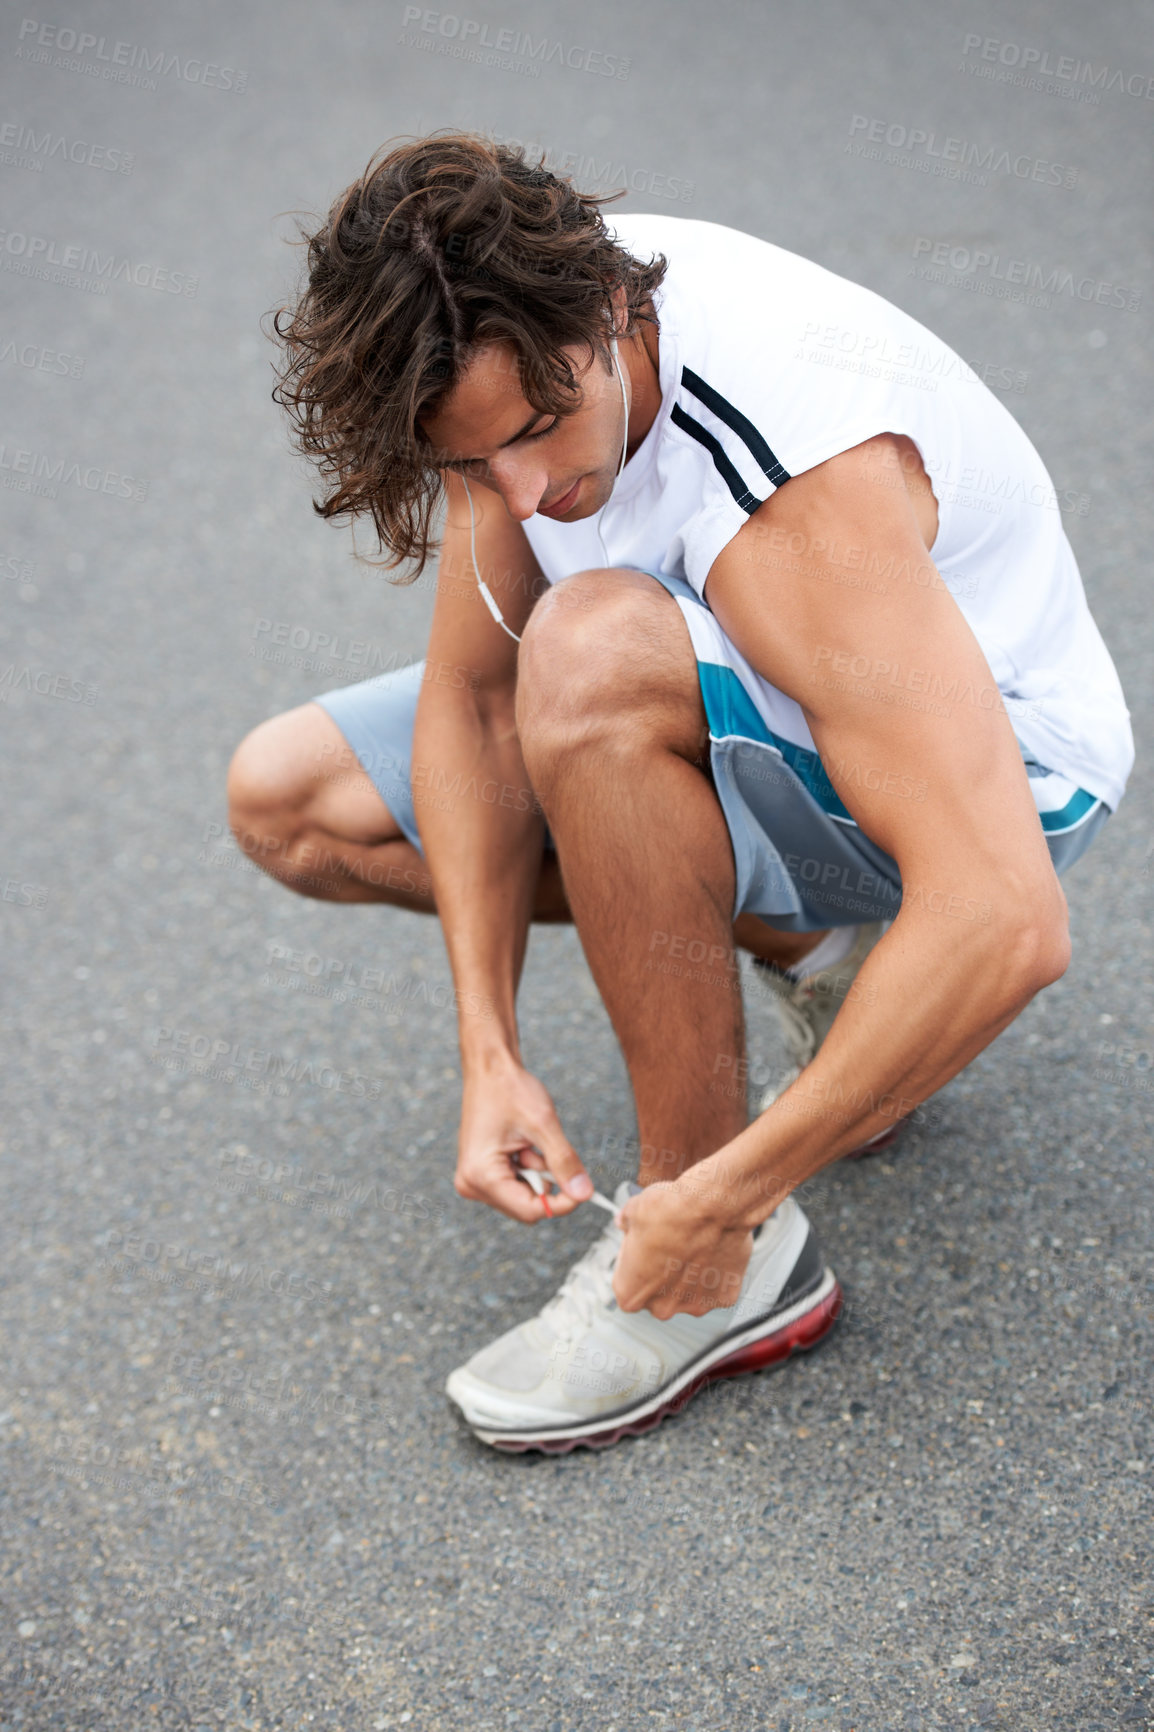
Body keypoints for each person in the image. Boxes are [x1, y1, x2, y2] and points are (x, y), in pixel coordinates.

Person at [227, 133, 1132, 1452]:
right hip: (752, 706)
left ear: (610, 316)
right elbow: (475, 704)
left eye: (536, 440)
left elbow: (1003, 913)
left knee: (586, 654)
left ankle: (721, 1271)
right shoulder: (516, 353)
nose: (524, 496)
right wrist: (490, 1051)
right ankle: (829, 966)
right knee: (295, 798)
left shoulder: (794, 489)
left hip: (998, 782)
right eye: (472, 469)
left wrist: (723, 1195)